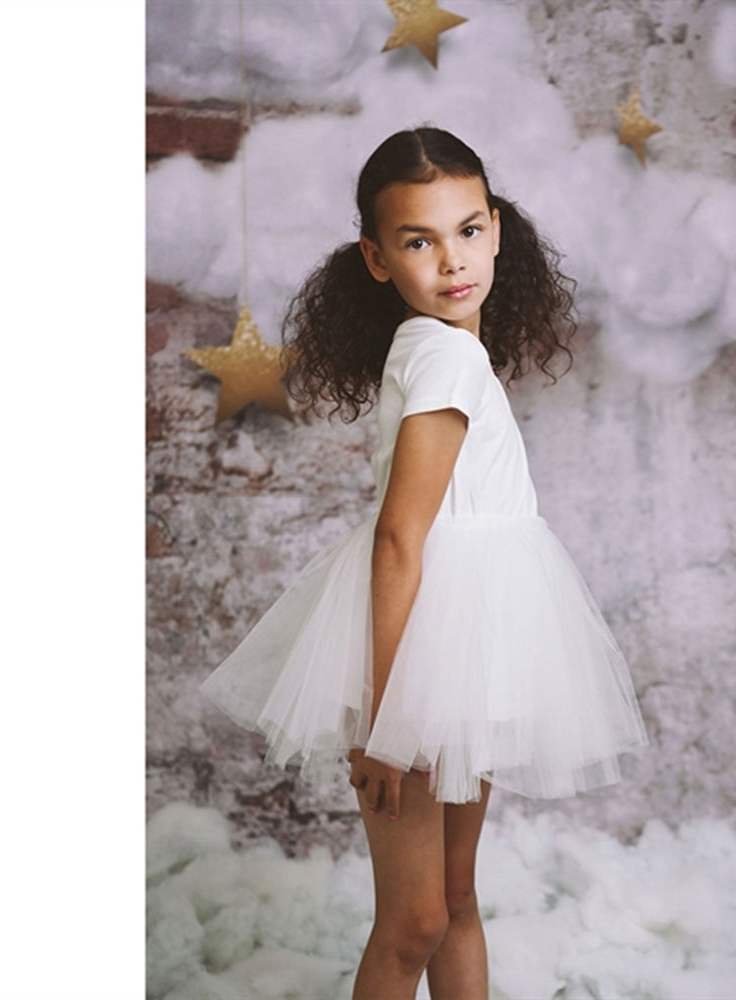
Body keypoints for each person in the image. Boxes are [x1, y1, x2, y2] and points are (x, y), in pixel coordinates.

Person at [199, 126, 648, 999]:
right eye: (418, 241)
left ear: (497, 228)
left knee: (450, 901)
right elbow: (401, 538)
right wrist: (384, 726)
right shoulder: (444, 354)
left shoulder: (449, 348)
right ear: (376, 257)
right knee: (416, 920)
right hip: (418, 657)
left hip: (462, 645)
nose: (452, 260)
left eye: (468, 229)